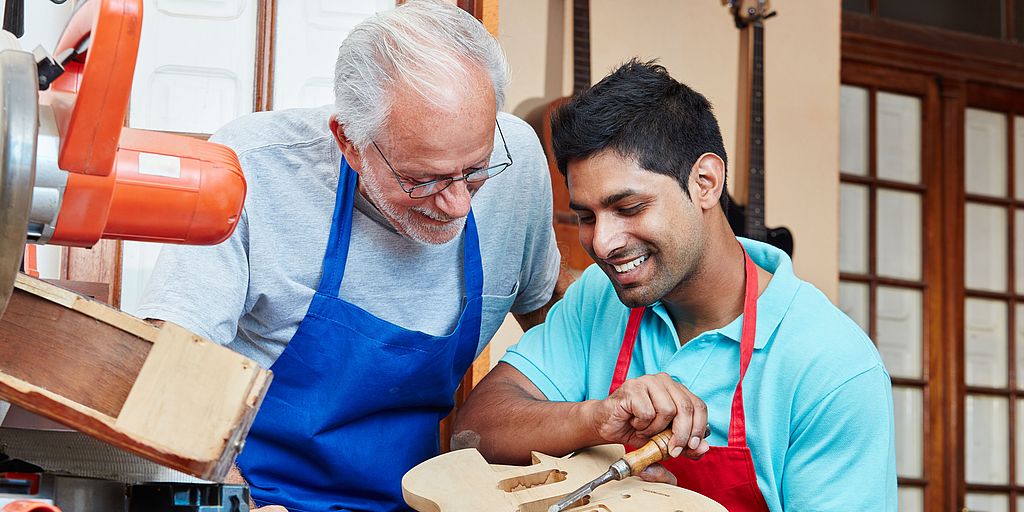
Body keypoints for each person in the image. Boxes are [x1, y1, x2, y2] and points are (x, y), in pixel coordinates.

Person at [136, 1, 562, 510]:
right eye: (422, 179)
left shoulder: (521, 160)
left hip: (427, 500)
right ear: (350, 143)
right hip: (263, 493)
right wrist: (231, 497)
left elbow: (552, 328)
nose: (458, 204)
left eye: (476, 170)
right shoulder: (251, 169)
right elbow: (169, 360)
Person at [453, 59, 897, 512]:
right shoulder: (598, 298)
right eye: (586, 216)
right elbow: (472, 432)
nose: (602, 244)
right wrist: (595, 418)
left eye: (628, 207)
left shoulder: (832, 368)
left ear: (705, 182)